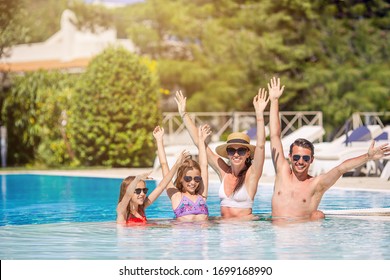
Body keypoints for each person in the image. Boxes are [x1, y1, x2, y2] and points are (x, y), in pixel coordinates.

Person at [268, 76, 390, 221]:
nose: (300, 161)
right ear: (290, 157)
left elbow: (341, 168)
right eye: (296, 157)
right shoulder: (282, 174)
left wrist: (367, 157)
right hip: (275, 238)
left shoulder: (316, 185)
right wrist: (274, 101)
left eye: (305, 158)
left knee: (318, 216)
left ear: (311, 159)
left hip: (299, 239)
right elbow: (275, 136)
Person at [175, 89, 269, 219]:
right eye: (232, 151)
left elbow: (261, 146)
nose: (236, 154)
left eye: (241, 150)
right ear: (228, 154)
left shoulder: (252, 174)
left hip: (245, 232)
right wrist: (183, 114)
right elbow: (200, 143)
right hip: (224, 232)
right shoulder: (224, 171)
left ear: (248, 154)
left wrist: (259, 114)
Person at [153, 124, 211, 222]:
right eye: (188, 178)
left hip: (203, 237)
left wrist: (201, 140)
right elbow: (164, 165)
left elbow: (204, 166)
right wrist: (159, 140)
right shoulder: (176, 196)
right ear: (180, 179)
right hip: (183, 237)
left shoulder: (202, 195)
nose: (193, 182)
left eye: (197, 179)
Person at [116, 150, 189, 225]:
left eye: (144, 190)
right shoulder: (122, 210)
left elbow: (161, 186)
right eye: (138, 191)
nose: (142, 194)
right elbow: (128, 194)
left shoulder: (141, 207)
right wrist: (137, 179)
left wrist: (177, 165)